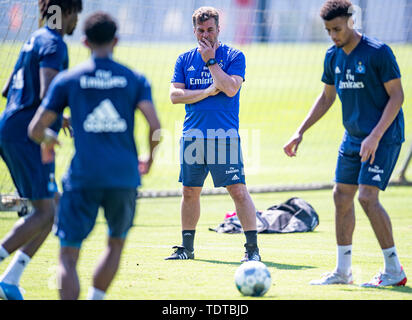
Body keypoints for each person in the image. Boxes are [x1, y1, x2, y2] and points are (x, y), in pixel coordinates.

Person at [28, 11, 161, 300]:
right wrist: (150, 158)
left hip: (83, 176)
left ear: (85, 42)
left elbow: (35, 128)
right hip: (123, 176)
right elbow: (155, 126)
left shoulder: (68, 80)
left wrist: (49, 139)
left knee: (67, 255)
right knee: (115, 244)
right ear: (116, 41)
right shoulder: (135, 78)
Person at [283, 0, 406, 287]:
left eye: (337, 28)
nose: (333, 35)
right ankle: (342, 271)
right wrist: (300, 131)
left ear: (352, 21)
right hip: (352, 138)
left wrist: (375, 136)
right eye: (328, 31)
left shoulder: (378, 53)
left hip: (383, 137)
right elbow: (327, 97)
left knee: (366, 197)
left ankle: (394, 271)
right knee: (340, 195)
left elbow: (397, 96)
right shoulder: (333, 55)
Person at [0, 0, 82, 300]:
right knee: (46, 211)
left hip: (11, 127)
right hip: (29, 135)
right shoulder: (54, 43)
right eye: (76, 15)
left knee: (52, 210)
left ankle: (10, 280)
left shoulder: (33, 39)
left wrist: (60, 118)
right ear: (68, 12)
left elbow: (8, 90)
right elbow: (49, 94)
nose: (76, 22)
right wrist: (51, 125)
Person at [166, 6, 260, 262]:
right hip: (192, 137)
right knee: (189, 192)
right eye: (200, 30)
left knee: (238, 192)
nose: (205, 35)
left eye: (210, 30)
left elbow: (230, 88)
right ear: (194, 30)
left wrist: (210, 61)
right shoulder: (184, 59)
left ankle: (252, 250)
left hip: (224, 137)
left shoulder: (234, 56)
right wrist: (207, 92)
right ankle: (187, 248)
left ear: (219, 29)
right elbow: (175, 96)